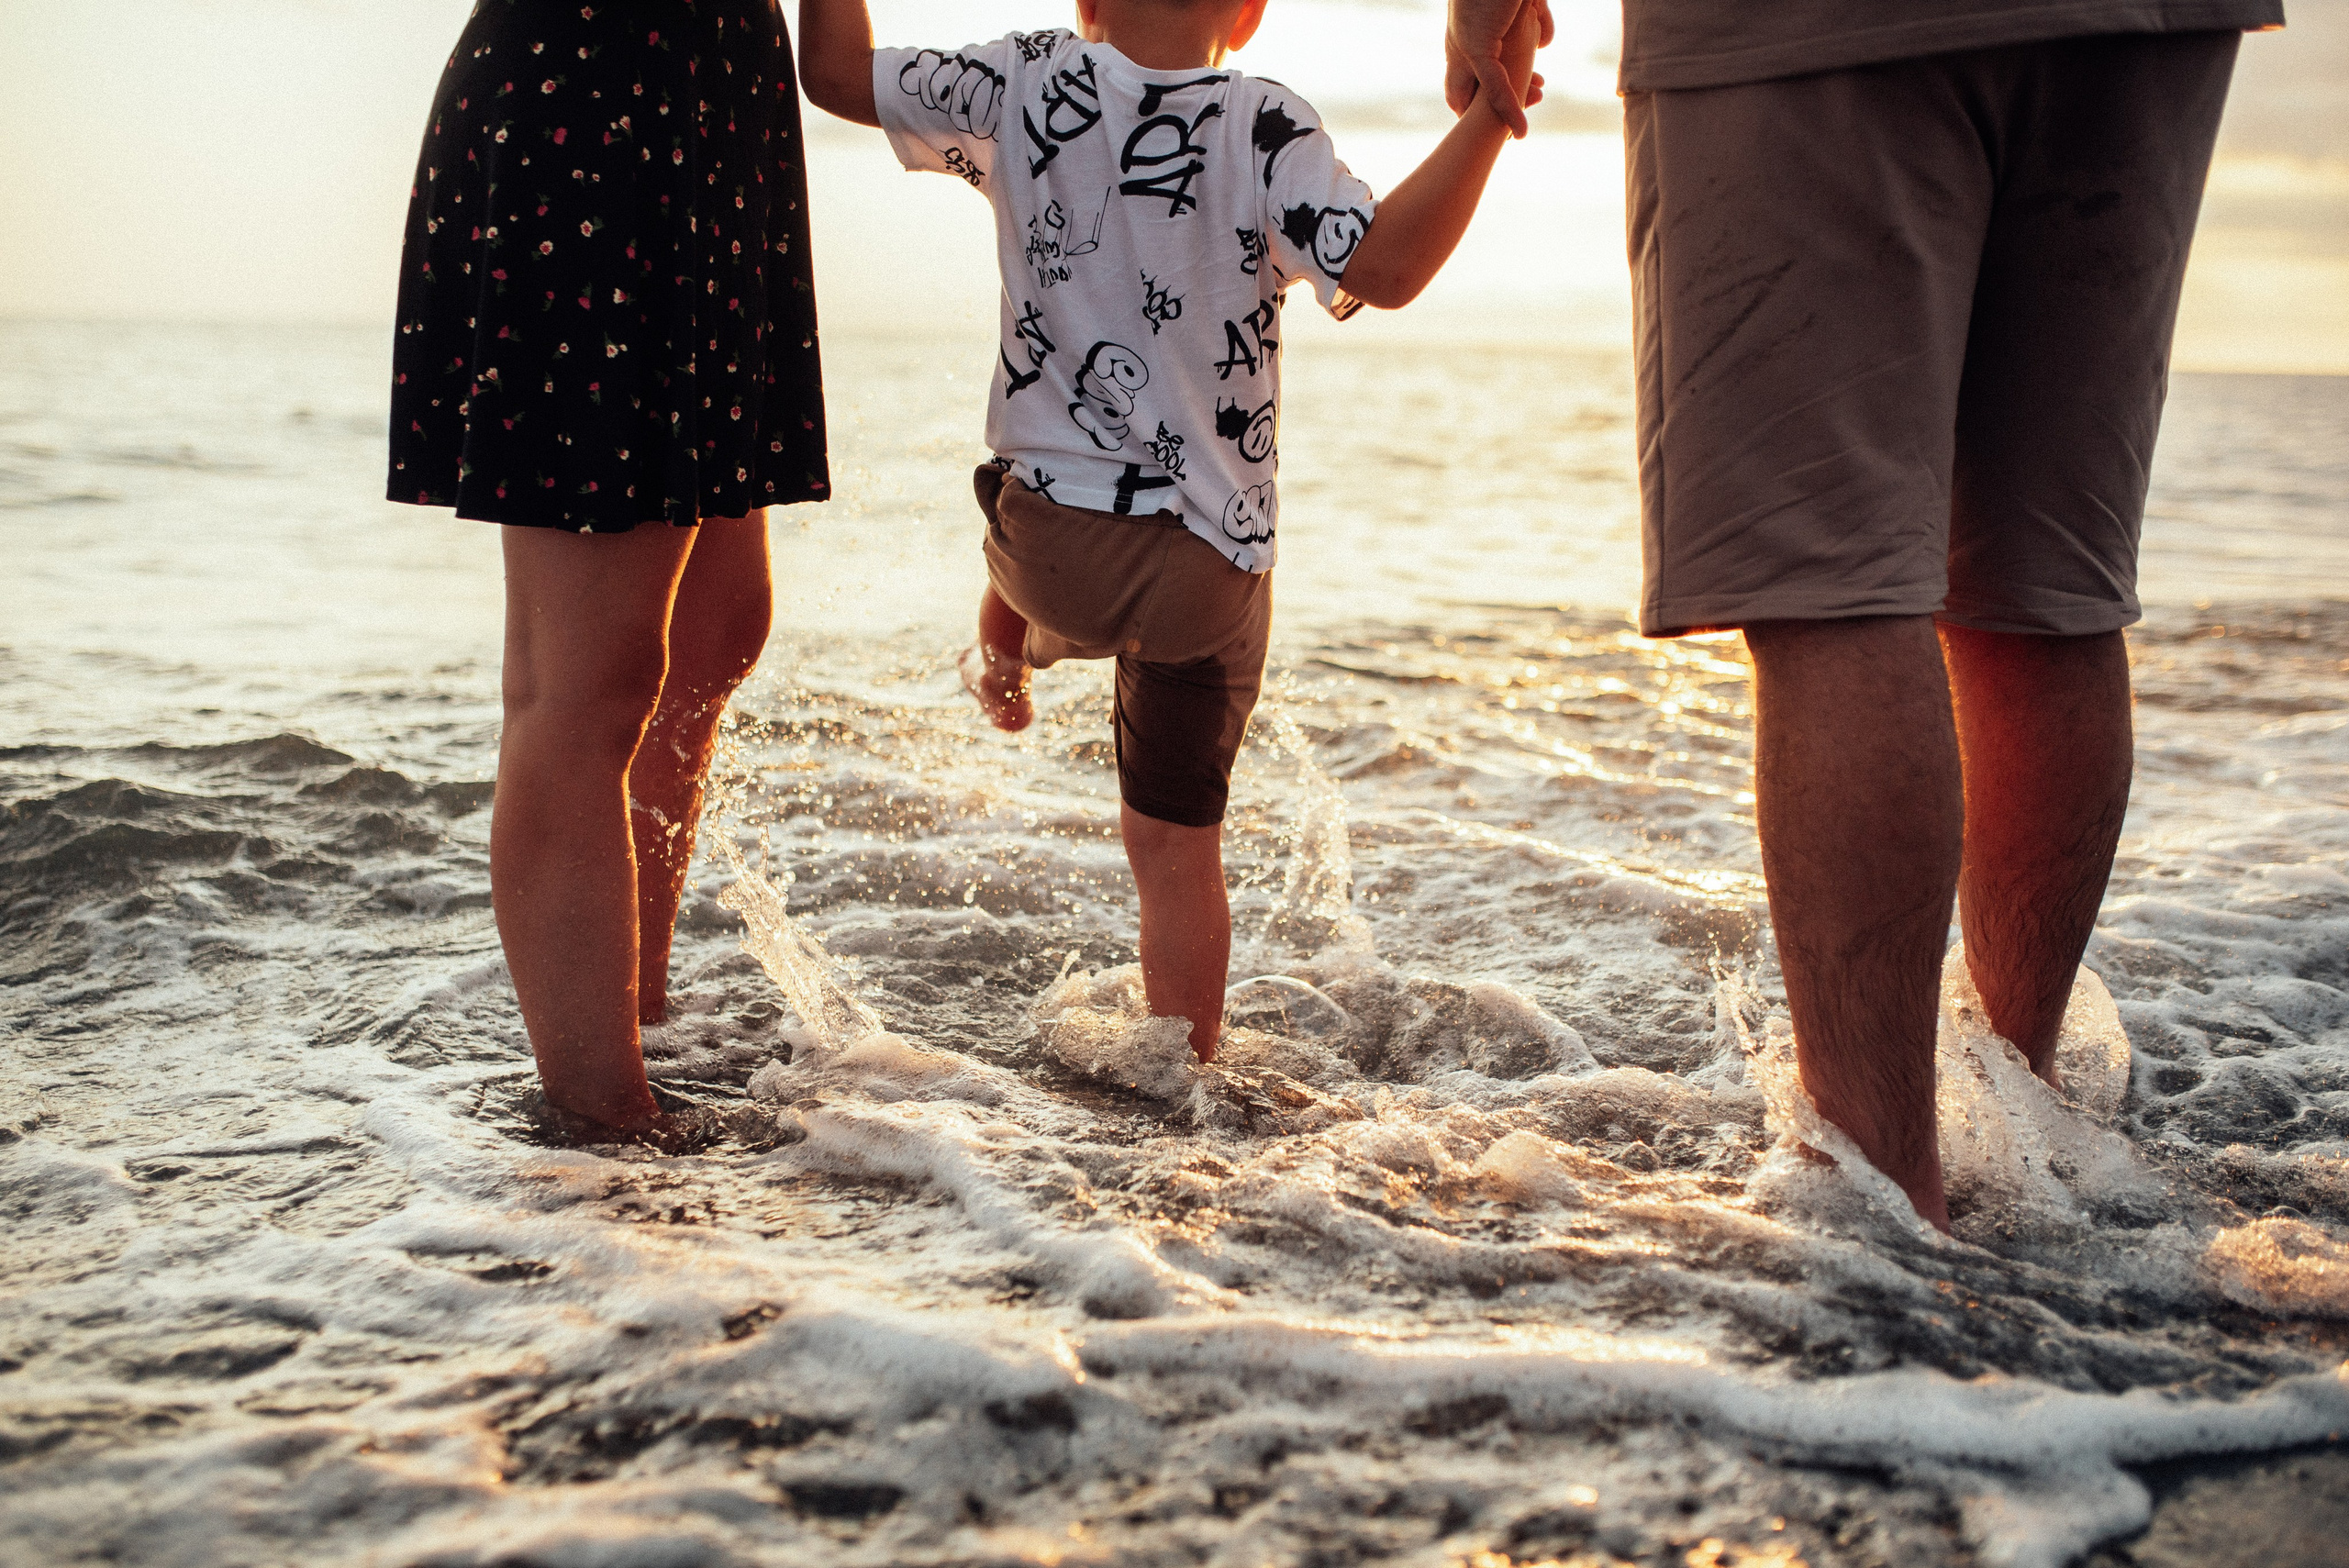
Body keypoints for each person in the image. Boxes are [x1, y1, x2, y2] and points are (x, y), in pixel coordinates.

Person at [1450, 0, 2281, 1229]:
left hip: (1809, 26)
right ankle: (2020, 1125)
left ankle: (1886, 1207)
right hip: (2144, 21)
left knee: (1829, 585)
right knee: (2043, 592)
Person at [796, 0, 1540, 1059]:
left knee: (1021, 489)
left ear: (1088, 1)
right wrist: (1488, 119)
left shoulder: (1024, 79)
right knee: (1176, 850)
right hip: (1206, 569)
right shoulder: (1267, 123)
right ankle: (1185, 1076)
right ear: (1249, 10)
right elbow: (1386, 268)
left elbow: (834, 74)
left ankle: (1004, 656)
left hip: (1050, 548)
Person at [388, 1, 831, 1141]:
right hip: (587, 109)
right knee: (587, 680)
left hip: (718, 119)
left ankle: (639, 1011)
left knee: (719, 626)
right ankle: (604, 1131)